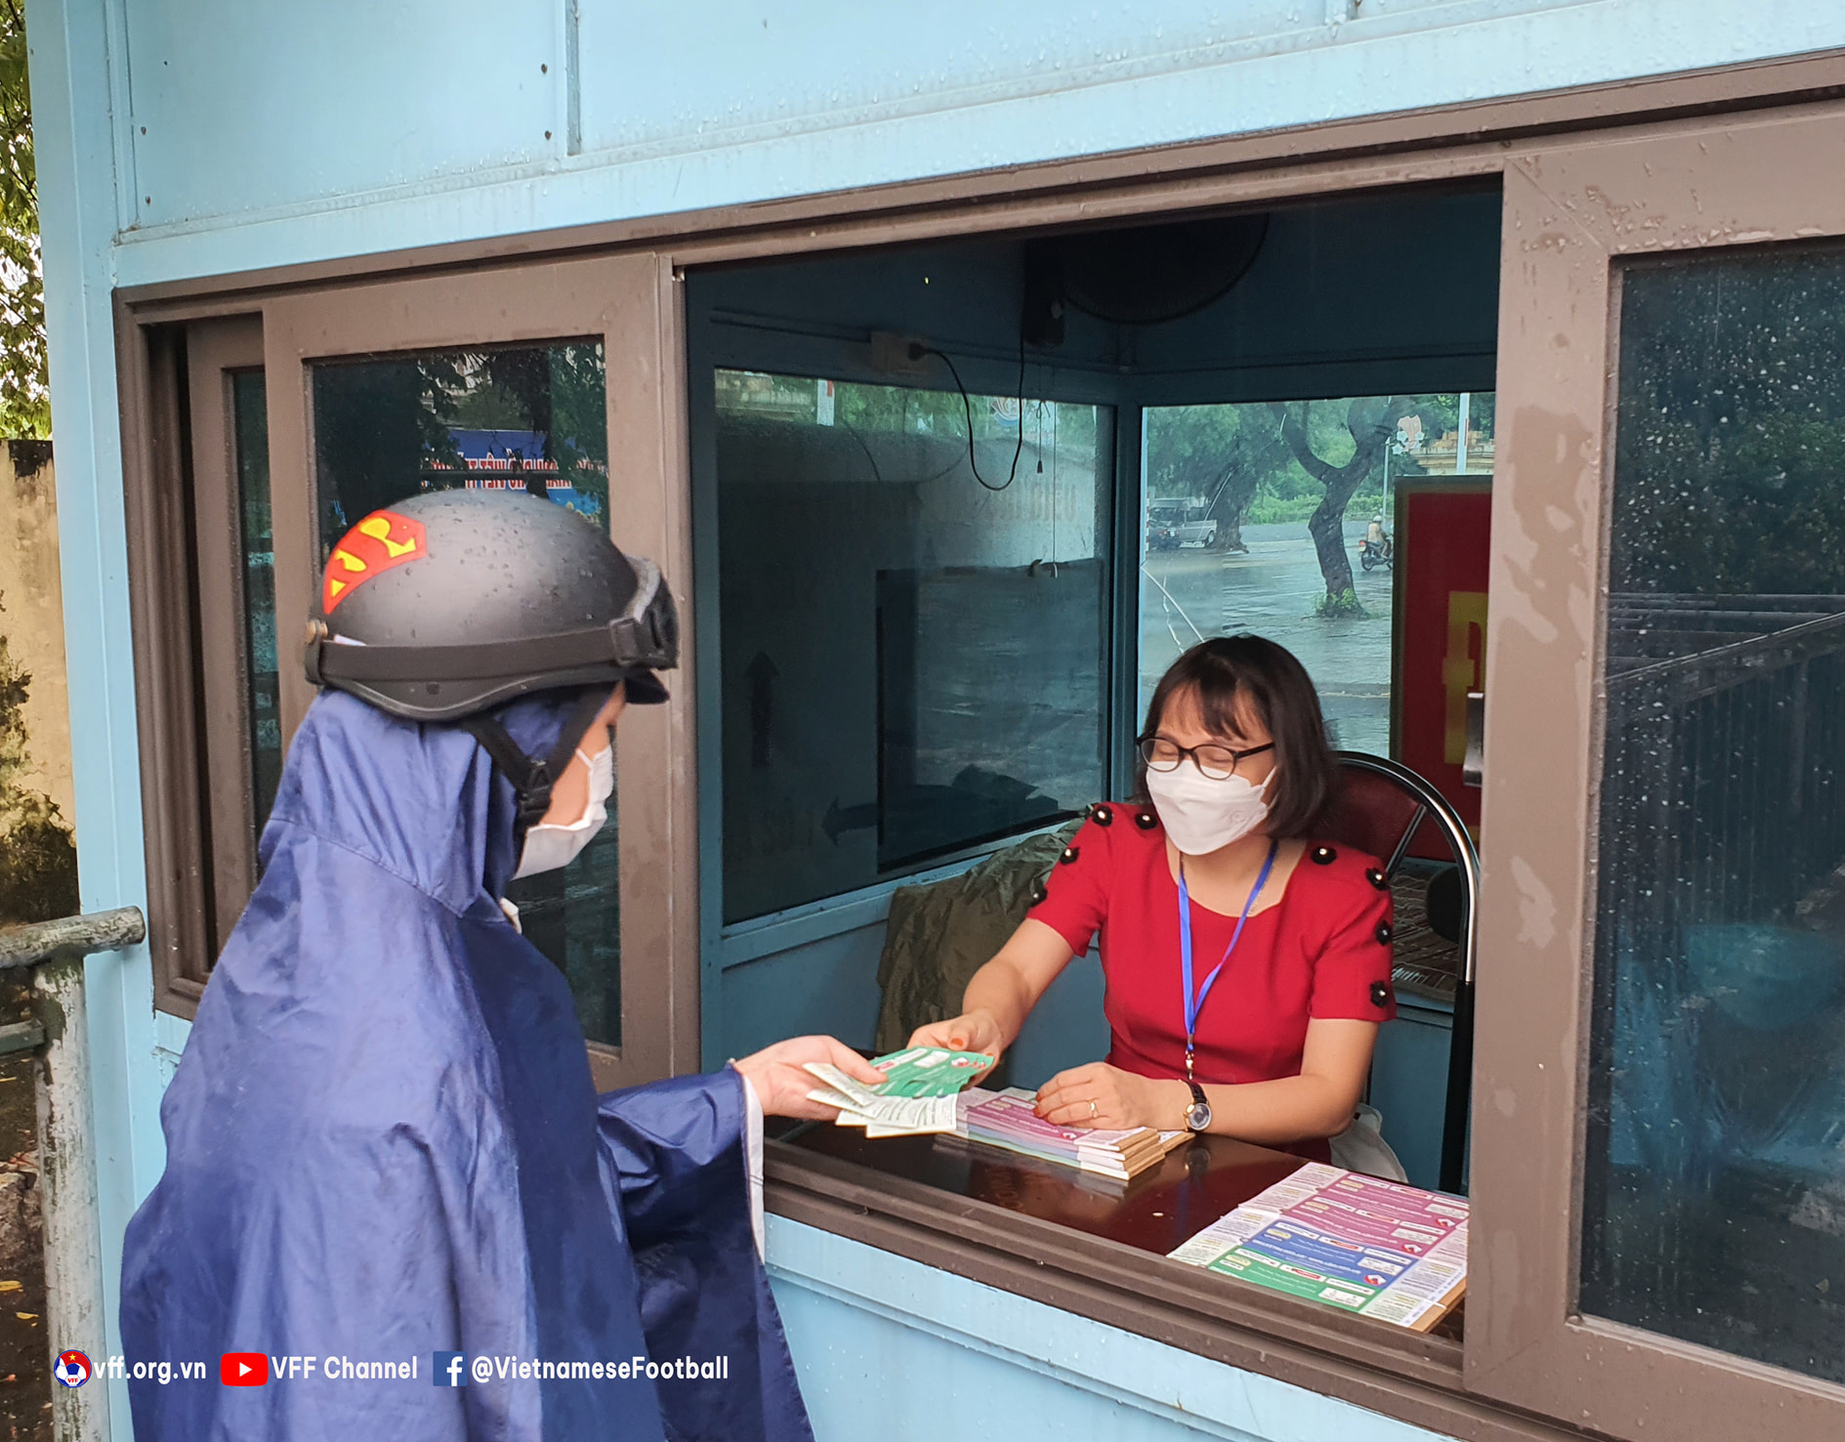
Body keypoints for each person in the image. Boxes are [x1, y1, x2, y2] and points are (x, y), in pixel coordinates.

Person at [121, 491, 883, 1441]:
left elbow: (500, 1189)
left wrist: (740, 1095)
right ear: (508, 740)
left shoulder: (322, 935)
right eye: (598, 735)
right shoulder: (405, 1025)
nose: (603, 771)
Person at [910, 635, 1404, 1178]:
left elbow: (1329, 1100)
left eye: (1218, 756)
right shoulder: (1114, 844)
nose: (1184, 776)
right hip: (1120, 1154)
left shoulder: (1346, 893)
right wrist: (983, 1024)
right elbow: (1018, 970)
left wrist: (1168, 1103)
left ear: (1287, 763)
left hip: (1271, 1171)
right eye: (1167, 751)